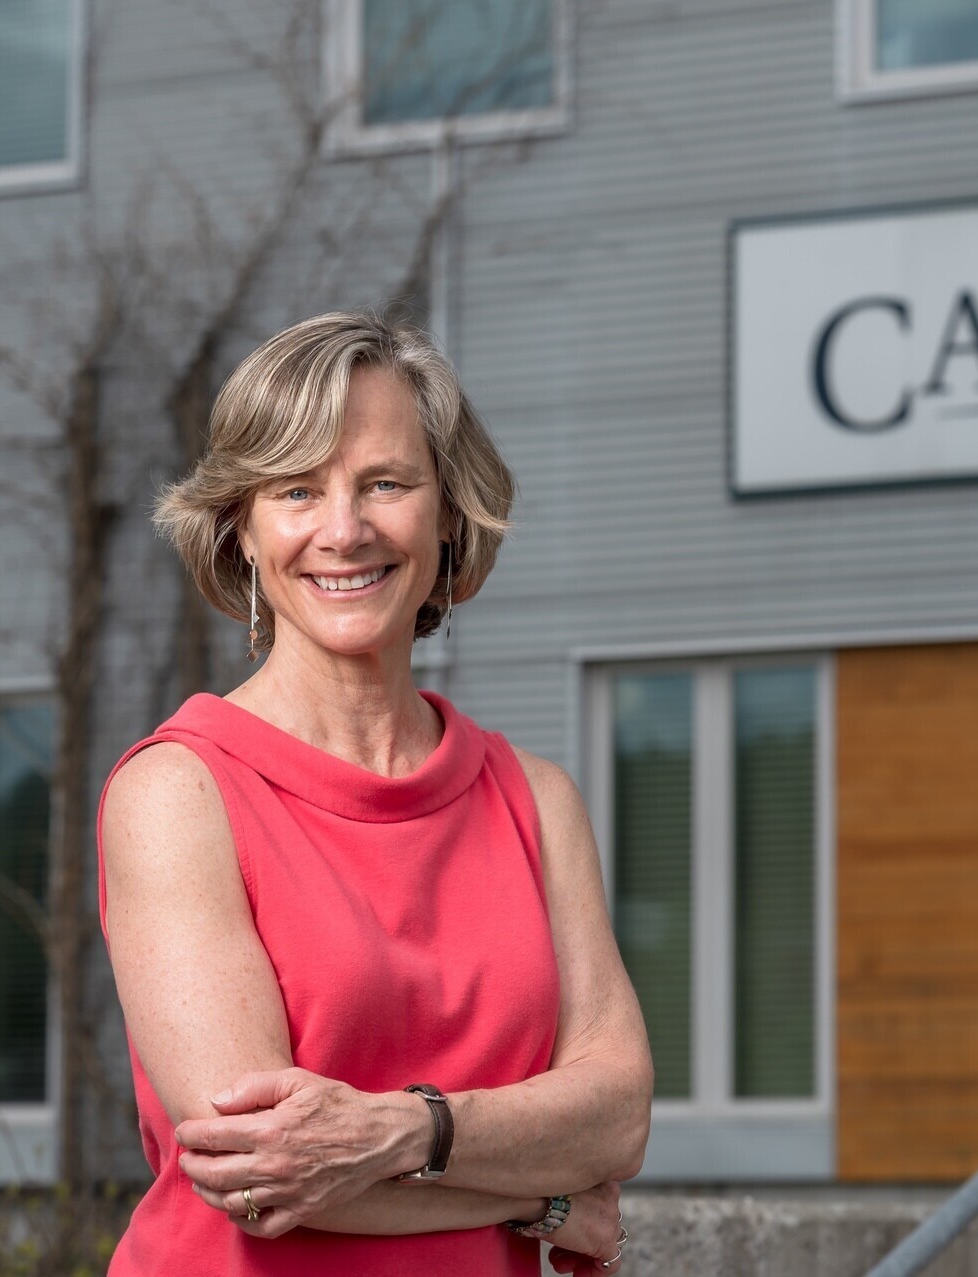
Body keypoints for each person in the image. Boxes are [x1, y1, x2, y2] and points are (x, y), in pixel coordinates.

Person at [96, 310, 654, 1276]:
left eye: (385, 483)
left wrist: (403, 1131)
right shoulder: (179, 792)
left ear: (447, 512)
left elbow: (620, 1112)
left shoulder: (535, 800)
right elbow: (264, 1175)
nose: (344, 530)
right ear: (242, 527)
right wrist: (545, 1192)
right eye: (297, 490)